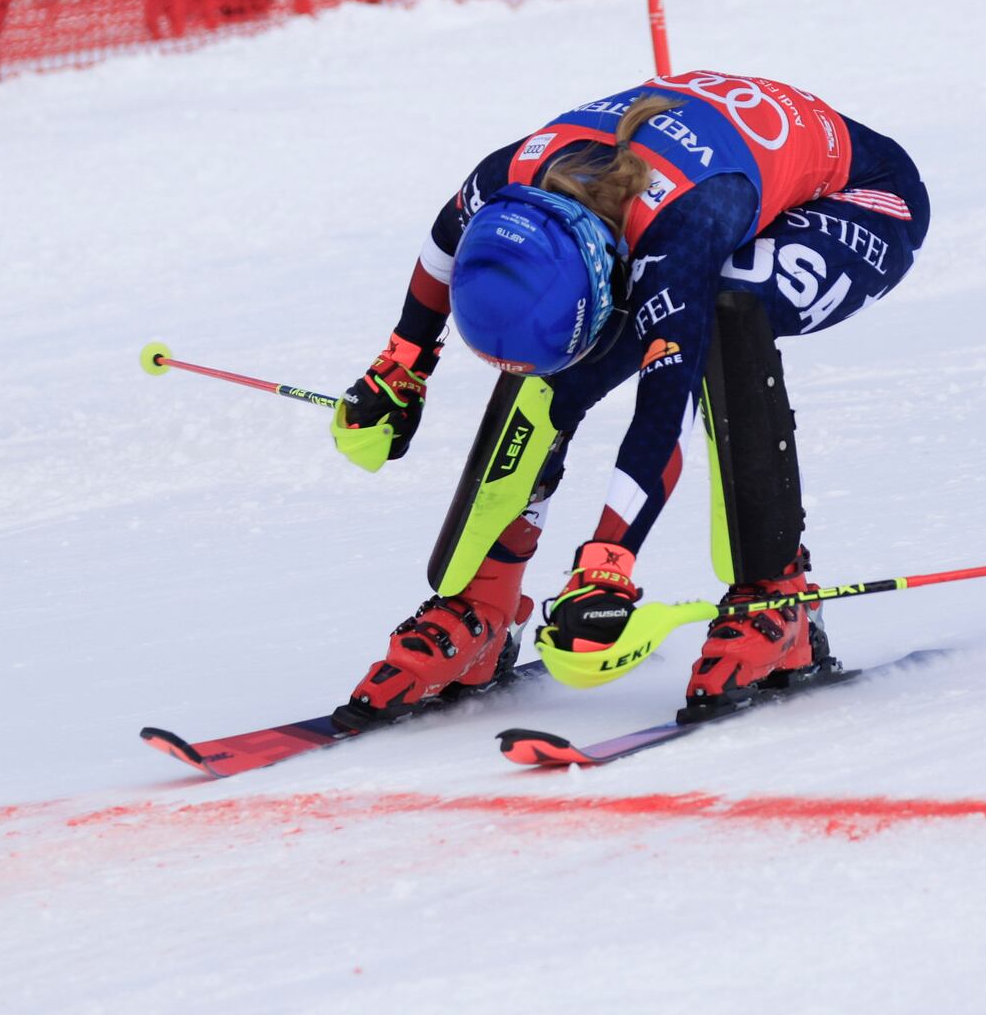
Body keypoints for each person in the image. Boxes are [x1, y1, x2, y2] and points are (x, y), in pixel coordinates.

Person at [328, 70, 929, 726]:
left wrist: (608, 563)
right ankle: (483, 600)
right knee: (553, 362)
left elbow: (660, 415)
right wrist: (402, 366)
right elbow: (448, 240)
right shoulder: (511, 177)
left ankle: (777, 593)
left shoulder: (684, 229)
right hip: (697, 175)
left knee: (729, 309)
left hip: (866, 197)